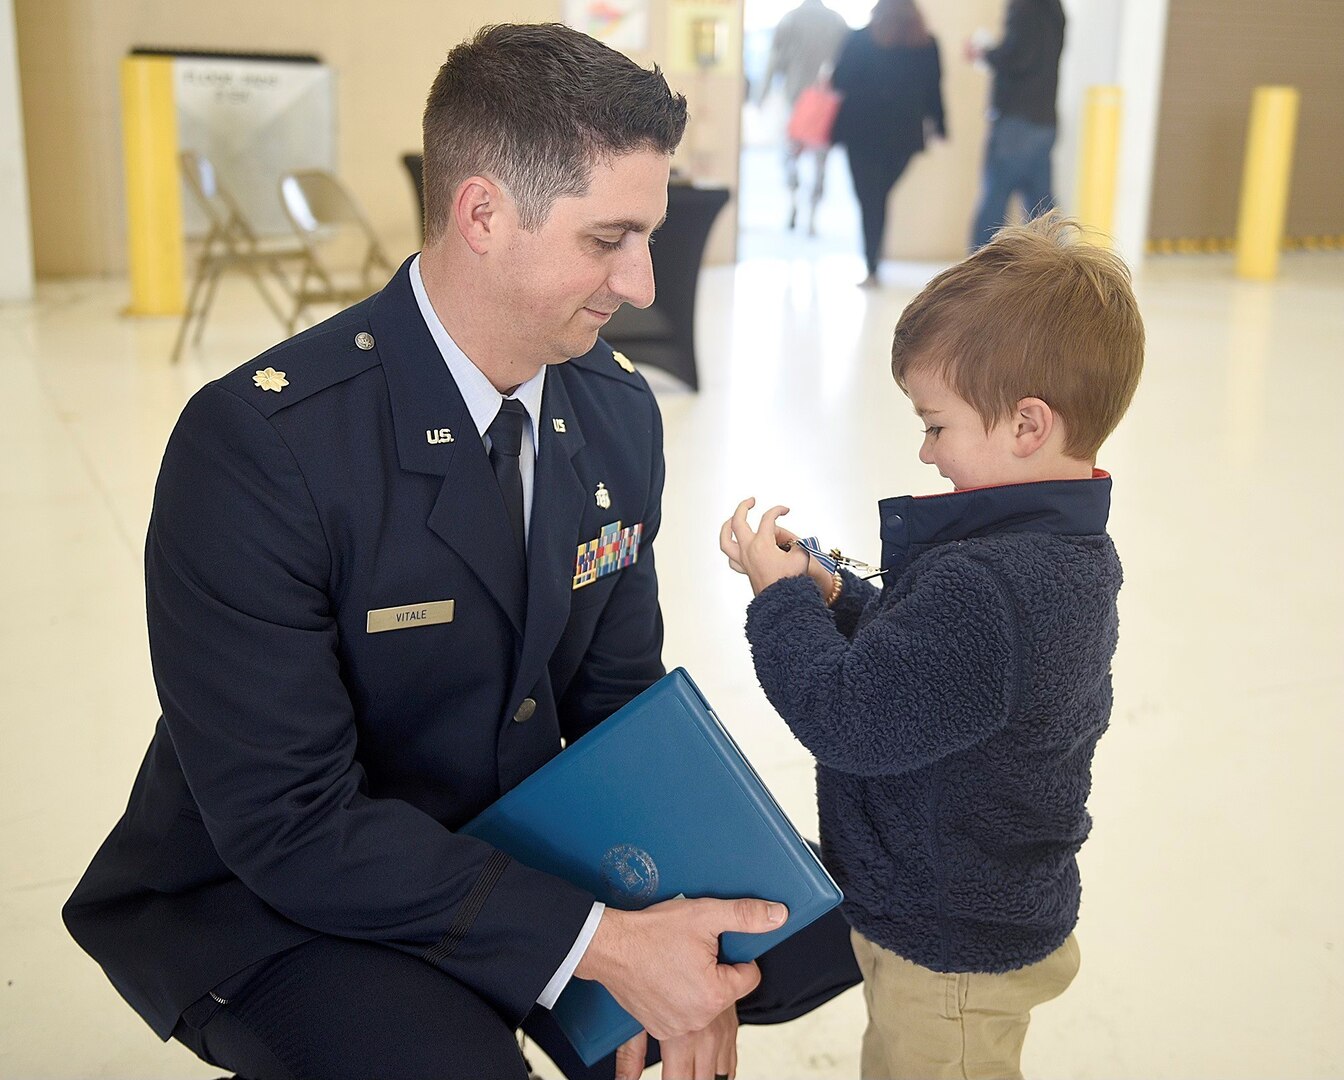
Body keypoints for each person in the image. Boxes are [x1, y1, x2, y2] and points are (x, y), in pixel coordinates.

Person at [64, 23, 859, 1080]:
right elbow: (288, 825)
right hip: (285, 891)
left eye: (649, 237)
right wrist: (609, 947)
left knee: (826, 933)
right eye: (607, 240)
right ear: (482, 214)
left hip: (508, 830)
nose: (644, 284)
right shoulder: (262, 448)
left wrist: (686, 959)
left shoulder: (615, 415)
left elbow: (617, 705)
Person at [720, 213, 1144, 1079]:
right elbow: (930, 669)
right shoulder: (1060, 553)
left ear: (1028, 425)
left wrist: (778, 603)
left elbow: (852, 715)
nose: (925, 448)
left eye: (937, 423)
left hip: (948, 954)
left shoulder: (989, 584)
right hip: (970, 912)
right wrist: (834, 593)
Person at [830, 0, 946, 286]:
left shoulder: (860, 39)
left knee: (870, 199)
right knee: (878, 197)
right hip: (902, 138)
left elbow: (838, 81)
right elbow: (934, 90)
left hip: (860, 134)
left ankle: (872, 265)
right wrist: (941, 127)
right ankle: (872, 264)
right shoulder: (926, 44)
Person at [966, 0, 1066, 250]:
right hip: (1044, 120)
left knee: (994, 201)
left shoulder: (1025, 9)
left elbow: (1019, 56)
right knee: (1041, 209)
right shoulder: (1054, 9)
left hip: (1016, 122)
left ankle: (978, 278)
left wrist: (985, 53)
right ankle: (1060, 274)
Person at [757, 0, 849, 234]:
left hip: (795, 100)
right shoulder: (837, 22)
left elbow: (774, 60)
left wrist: (762, 93)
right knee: (821, 162)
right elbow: (848, 64)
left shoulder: (790, 19)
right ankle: (812, 217)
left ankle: (794, 199)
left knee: (790, 155)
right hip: (825, 104)